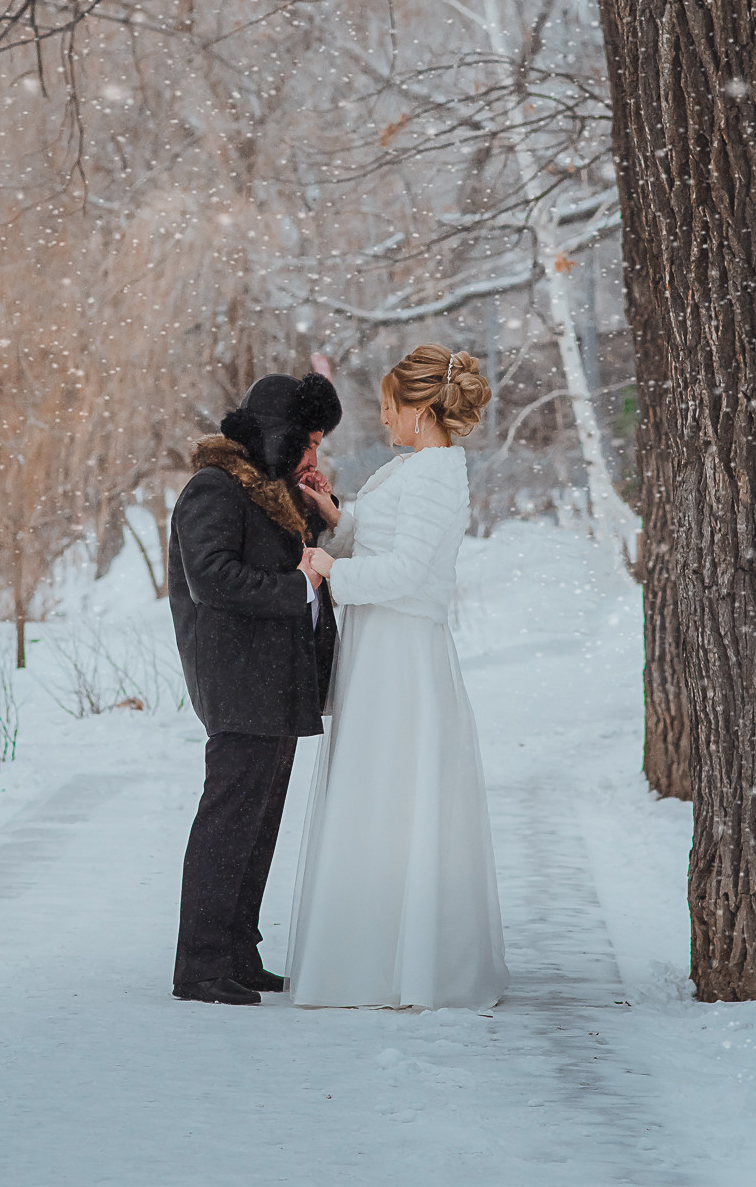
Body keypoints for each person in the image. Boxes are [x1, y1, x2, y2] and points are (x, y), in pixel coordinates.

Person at [287, 345, 509, 1011]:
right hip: (379, 645)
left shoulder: (437, 472)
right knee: (377, 790)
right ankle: (374, 953)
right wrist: (337, 519)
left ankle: (399, 963)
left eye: (389, 408)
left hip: (403, 652)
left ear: (418, 408)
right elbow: (389, 543)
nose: (384, 420)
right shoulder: (419, 466)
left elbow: (409, 572)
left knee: (396, 791)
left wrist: (328, 569)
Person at [169, 370, 342, 1006]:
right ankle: (201, 965)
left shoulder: (273, 490)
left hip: (277, 679)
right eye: (311, 442)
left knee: (259, 823)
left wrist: (317, 520)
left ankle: (240, 952)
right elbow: (212, 578)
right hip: (239, 678)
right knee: (229, 820)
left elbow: (286, 563)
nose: (315, 456)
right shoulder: (213, 489)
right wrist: (300, 582)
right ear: (281, 434)